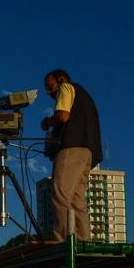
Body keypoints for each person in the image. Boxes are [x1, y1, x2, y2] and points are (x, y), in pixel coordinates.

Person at [40, 68, 102, 241]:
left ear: (61, 80)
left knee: (60, 195)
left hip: (71, 148)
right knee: (77, 200)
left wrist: (47, 123)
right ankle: (83, 242)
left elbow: (63, 116)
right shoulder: (84, 96)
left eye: (49, 86)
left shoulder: (66, 88)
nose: (48, 91)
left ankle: (64, 243)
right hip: (87, 151)